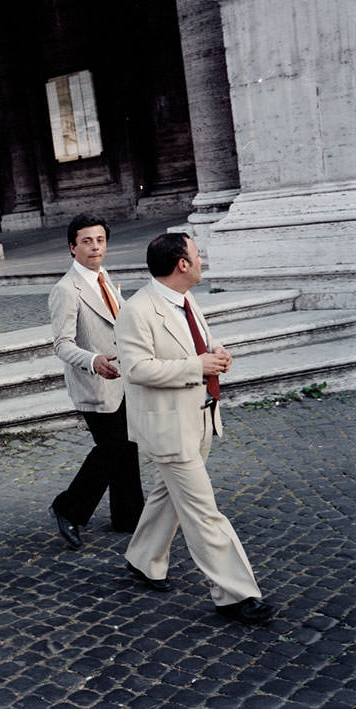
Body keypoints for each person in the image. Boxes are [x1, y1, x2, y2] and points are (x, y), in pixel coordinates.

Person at [115, 232, 274, 624]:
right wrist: (196, 367)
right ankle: (234, 594)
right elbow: (135, 369)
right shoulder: (136, 310)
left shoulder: (185, 299)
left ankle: (142, 558)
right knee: (204, 511)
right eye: (197, 255)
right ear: (181, 264)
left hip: (200, 418)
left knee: (167, 495)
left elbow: (197, 340)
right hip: (168, 428)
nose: (202, 260)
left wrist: (217, 352)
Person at [48, 214, 144, 549]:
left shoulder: (104, 277)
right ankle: (68, 508)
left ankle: (129, 515)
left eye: (100, 240)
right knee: (113, 447)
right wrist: (93, 361)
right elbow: (61, 344)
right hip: (94, 384)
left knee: (127, 445)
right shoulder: (65, 290)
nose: (95, 247)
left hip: (122, 381)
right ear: (72, 247)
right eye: (87, 241)